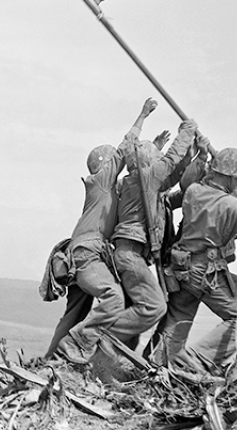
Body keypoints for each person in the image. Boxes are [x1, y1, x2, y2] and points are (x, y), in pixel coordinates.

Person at [149, 147, 237, 370]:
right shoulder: (232, 206)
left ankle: (156, 365)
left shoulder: (194, 191)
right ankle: (192, 361)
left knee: (178, 320)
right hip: (205, 272)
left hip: (181, 267)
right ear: (232, 178)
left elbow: (229, 227)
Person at [50, 98, 158, 365]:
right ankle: (79, 344)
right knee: (113, 297)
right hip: (88, 253)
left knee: (75, 312)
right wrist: (142, 116)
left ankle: (51, 359)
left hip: (83, 253)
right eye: (113, 162)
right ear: (105, 164)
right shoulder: (100, 181)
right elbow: (124, 150)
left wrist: (154, 150)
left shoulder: (107, 190)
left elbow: (139, 177)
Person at [108, 116, 199, 344]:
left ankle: (113, 359)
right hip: (131, 254)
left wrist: (192, 155)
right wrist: (187, 130)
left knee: (134, 320)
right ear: (150, 163)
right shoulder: (146, 178)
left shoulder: (136, 182)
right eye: (156, 158)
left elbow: (174, 174)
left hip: (131, 254)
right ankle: (100, 336)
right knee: (154, 306)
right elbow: (171, 160)